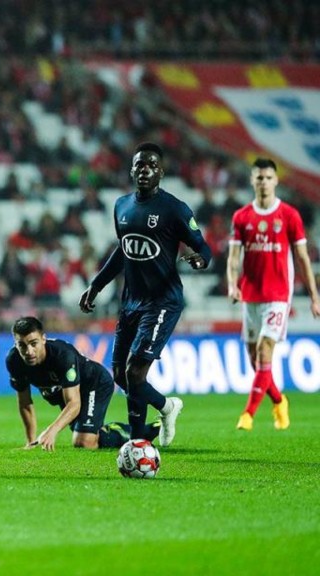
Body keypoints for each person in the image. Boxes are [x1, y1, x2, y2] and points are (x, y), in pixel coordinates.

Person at [78, 142, 212, 446]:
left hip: (163, 300)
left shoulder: (174, 209)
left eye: (151, 164)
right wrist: (95, 286)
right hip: (131, 301)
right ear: (131, 169)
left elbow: (203, 246)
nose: (144, 169)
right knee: (121, 376)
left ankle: (137, 442)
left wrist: (200, 260)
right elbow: (122, 252)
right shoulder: (122, 206)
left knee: (135, 372)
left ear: (161, 172)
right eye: (139, 164)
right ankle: (166, 407)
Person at [227, 158, 320, 431]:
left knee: (266, 352)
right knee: (256, 361)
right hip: (250, 296)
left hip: (278, 295)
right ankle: (280, 401)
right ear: (252, 181)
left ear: (276, 180)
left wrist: (315, 296)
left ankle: (248, 415)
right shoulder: (241, 217)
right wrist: (233, 284)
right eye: (259, 177)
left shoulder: (289, 215)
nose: (263, 182)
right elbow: (233, 258)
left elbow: (302, 258)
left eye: (268, 177)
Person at [7, 316, 159, 451]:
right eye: (22, 345)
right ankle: (142, 431)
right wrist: (30, 442)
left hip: (94, 383)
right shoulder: (14, 361)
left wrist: (51, 430)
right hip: (64, 391)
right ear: (16, 344)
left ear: (43, 339)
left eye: (34, 343)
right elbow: (25, 403)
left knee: (84, 442)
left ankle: (132, 431)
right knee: (83, 435)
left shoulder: (62, 355)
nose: (29, 351)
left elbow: (74, 403)